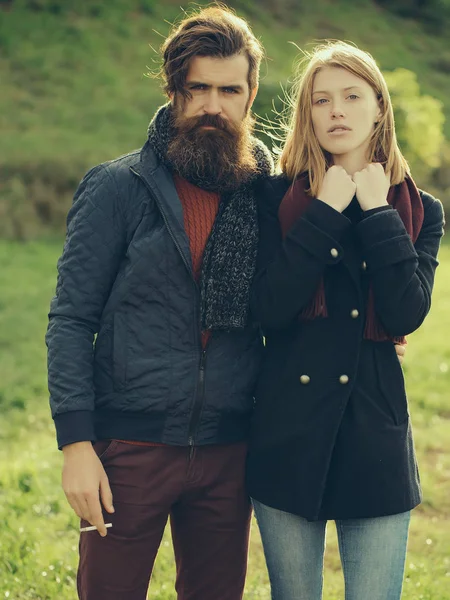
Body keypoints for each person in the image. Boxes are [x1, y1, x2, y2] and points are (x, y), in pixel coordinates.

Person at [45, 7, 274, 600]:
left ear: (251, 95)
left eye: (229, 90)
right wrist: (77, 446)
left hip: (229, 450)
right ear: (174, 91)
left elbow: (301, 298)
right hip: (129, 449)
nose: (213, 106)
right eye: (197, 88)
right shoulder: (117, 187)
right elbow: (71, 319)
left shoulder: (268, 194)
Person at [247, 41, 445, 600]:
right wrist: (324, 211)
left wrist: (378, 211)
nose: (336, 111)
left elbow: (408, 310)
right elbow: (270, 308)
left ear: (379, 106)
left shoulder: (419, 209)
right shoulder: (274, 197)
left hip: (374, 433)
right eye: (321, 99)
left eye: (352, 96)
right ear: (305, 114)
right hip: (287, 431)